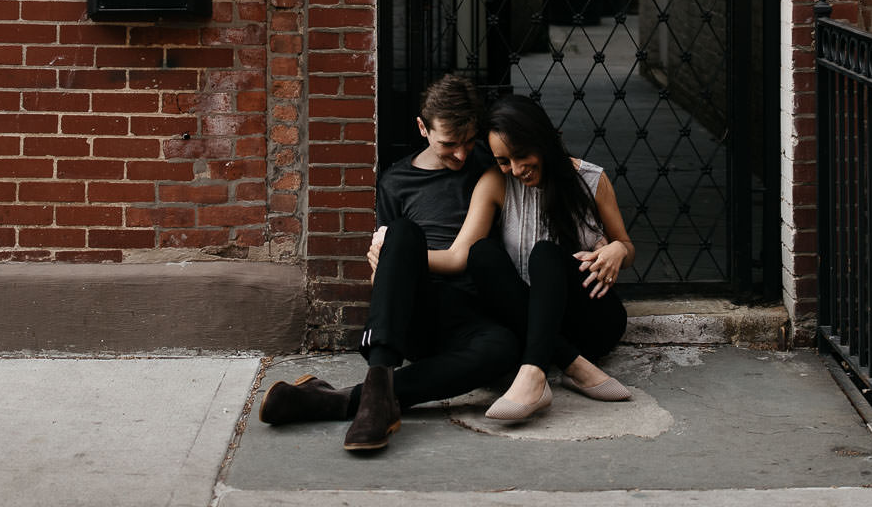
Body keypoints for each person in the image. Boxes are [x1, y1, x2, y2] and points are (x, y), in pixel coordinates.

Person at [256, 74, 520, 453]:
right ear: (422, 128)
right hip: (416, 313)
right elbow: (384, 273)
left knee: (504, 348)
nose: (461, 154)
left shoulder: (488, 164)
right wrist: (395, 259)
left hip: (472, 315)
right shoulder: (396, 182)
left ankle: (345, 400)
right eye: (449, 144)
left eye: (468, 141)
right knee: (403, 233)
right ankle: (379, 370)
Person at [463, 93, 635, 422]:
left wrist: (618, 250)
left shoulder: (591, 180)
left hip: (590, 321)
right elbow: (460, 254)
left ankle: (534, 374)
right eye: (503, 160)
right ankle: (573, 367)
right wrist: (399, 256)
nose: (516, 169)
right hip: (526, 326)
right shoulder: (496, 183)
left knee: (545, 254)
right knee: (481, 254)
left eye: (521, 155)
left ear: (542, 140)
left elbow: (627, 248)